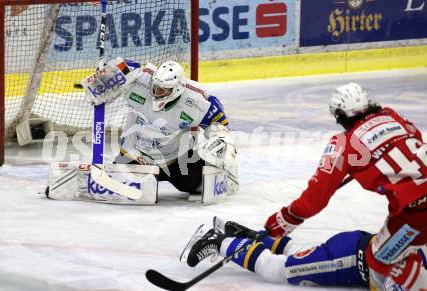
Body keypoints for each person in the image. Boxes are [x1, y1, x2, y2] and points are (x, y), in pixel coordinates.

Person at [263, 83, 427, 289]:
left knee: (378, 260)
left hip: (416, 212)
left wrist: (288, 216)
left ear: (339, 115)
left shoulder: (344, 145)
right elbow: (416, 138)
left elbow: (316, 197)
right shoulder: (391, 115)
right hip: (418, 206)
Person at [84, 57, 239, 197]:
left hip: (176, 160)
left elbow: (221, 127)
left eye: (164, 89)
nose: (157, 92)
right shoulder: (139, 82)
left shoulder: (196, 102)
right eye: (156, 86)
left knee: (198, 185)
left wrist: (219, 138)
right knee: (121, 190)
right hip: (135, 155)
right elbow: (122, 65)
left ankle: (226, 176)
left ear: (177, 89)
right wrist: (104, 73)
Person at [182, 218, 427, 289]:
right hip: (352, 259)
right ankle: (218, 241)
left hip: (354, 247)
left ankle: (245, 235)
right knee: (277, 269)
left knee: (297, 253)